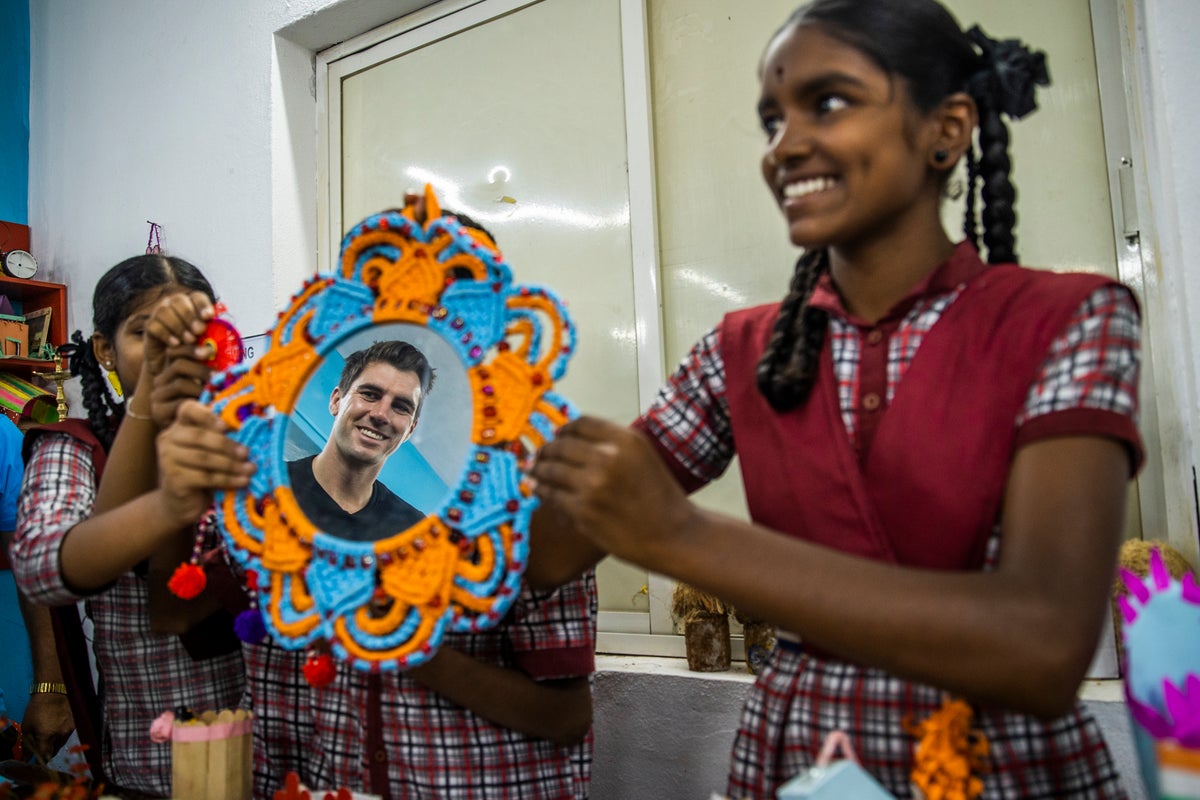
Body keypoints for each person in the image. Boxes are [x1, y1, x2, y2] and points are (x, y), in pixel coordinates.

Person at [530, 1, 1140, 797]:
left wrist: (678, 534)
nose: (785, 147)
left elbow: (1043, 649)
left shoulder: (1069, 320)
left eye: (828, 103)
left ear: (947, 130)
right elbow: (550, 554)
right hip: (801, 760)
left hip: (994, 761)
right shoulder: (743, 351)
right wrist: (489, 409)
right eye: (771, 121)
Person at [159, 202, 598, 799]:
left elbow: (565, 715)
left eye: (452, 302)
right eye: (395, 296)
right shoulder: (260, 489)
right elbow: (189, 621)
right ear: (338, 395)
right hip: (307, 780)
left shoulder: (534, 495)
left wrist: (394, 635)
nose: (381, 413)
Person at [9, 254, 250, 797]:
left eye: (192, 333)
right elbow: (43, 569)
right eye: (147, 334)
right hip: (156, 763)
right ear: (105, 350)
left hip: (272, 751)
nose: (172, 351)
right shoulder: (76, 447)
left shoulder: (248, 441)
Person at [288, 340, 431, 541]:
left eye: (400, 407)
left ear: (410, 430)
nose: (381, 414)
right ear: (336, 401)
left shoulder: (413, 535)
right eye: (370, 394)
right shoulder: (268, 484)